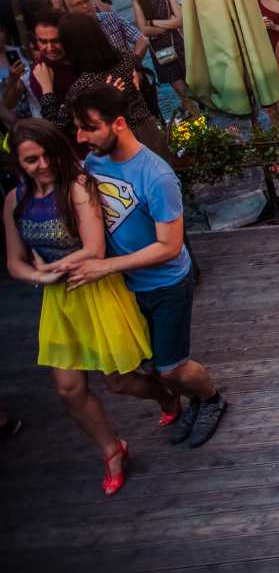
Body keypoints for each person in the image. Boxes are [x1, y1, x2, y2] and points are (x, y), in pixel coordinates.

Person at [66, 86, 228, 449]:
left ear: (119, 124)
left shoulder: (157, 176)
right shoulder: (93, 163)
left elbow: (169, 247)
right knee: (153, 364)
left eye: (89, 128)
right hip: (126, 287)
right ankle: (193, 401)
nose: (81, 137)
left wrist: (106, 267)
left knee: (173, 366)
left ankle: (213, 398)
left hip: (166, 285)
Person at [4, 119, 158, 496]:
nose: (39, 165)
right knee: (69, 389)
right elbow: (14, 262)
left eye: (44, 156)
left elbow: (93, 249)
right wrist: (42, 278)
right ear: (18, 163)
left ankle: (165, 394)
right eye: (29, 160)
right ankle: (111, 450)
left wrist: (49, 268)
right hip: (59, 298)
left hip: (94, 286)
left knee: (118, 380)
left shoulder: (78, 187)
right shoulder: (14, 200)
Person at [41, 13, 169, 161]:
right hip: (149, 132)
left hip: (123, 145)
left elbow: (56, 126)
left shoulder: (84, 85)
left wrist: (46, 90)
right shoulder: (125, 58)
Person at [130, 0, 194, 116]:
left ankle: (195, 115)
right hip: (161, 52)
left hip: (178, 45)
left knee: (193, 86)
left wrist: (153, 23)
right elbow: (144, 29)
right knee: (182, 92)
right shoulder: (138, 0)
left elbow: (180, 21)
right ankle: (199, 122)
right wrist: (167, 24)